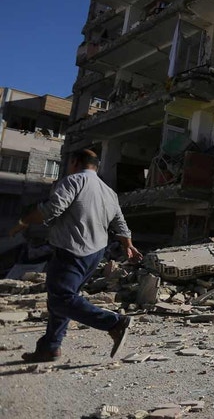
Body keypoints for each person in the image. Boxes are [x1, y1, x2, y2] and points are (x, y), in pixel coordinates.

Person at [8, 149, 143, 363]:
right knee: (63, 298)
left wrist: (24, 222)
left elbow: (52, 209)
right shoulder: (108, 191)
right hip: (95, 254)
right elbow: (120, 223)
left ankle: (114, 323)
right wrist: (129, 245)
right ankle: (50, 347)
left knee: (61, 298)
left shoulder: (73, 181)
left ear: (74, 162)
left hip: (72, 250)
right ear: (96, 166)